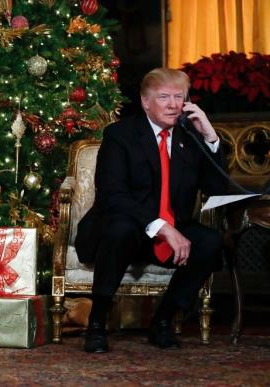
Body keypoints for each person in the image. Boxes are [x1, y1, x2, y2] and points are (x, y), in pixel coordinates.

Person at [75, 68, 226, 353]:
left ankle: (164, 320)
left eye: (178, 97)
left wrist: (210, 135)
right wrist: (163, 227)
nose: (173, 104)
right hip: (123, 229)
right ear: (145, 102)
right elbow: (113, 195)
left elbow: (217, 187)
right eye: (164, 97)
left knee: (210, 241)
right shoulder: (120, 135)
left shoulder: (189, 138)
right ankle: (97, 322)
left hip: (168, 231)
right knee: (121, 228)